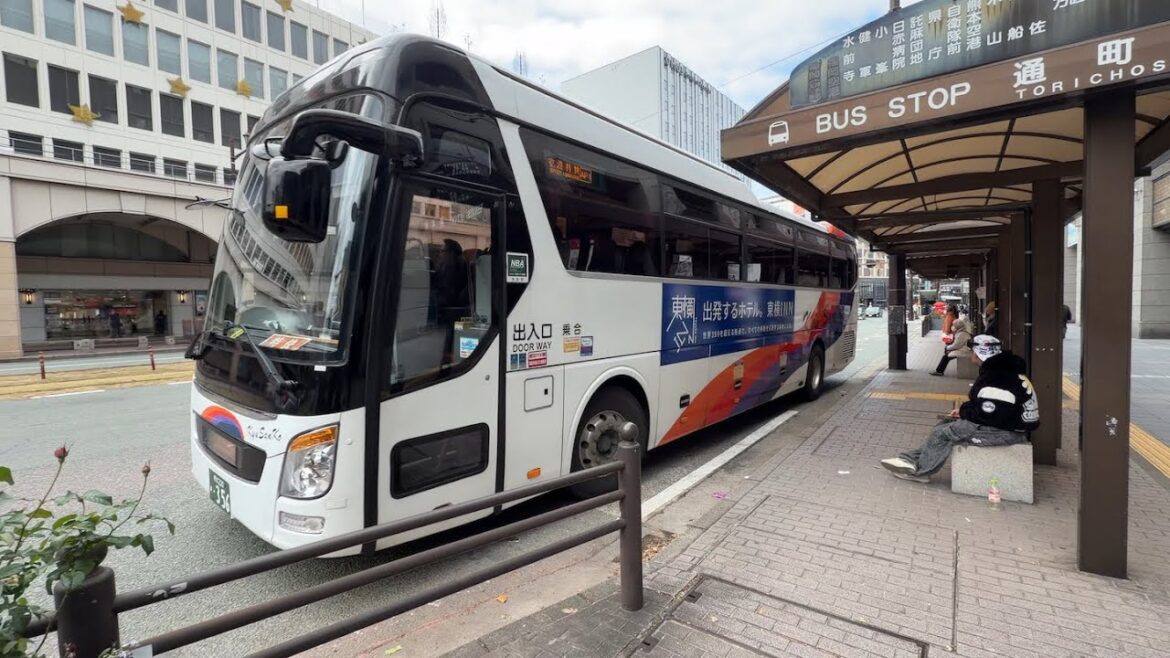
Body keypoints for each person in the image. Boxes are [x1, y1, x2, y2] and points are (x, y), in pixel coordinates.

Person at [881, 335, 1038, 482]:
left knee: (945, 433)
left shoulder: (997, 377)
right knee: (945, 424)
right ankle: (912, 459)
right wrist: (963, 412)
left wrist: (965, 413)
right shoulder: (1004, 371)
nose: (970, 355)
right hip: (1007, 425)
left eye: (972, 351)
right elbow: (989, 406)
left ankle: (921, 472)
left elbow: (989, 413)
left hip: (1006, 432)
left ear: (979, 354)